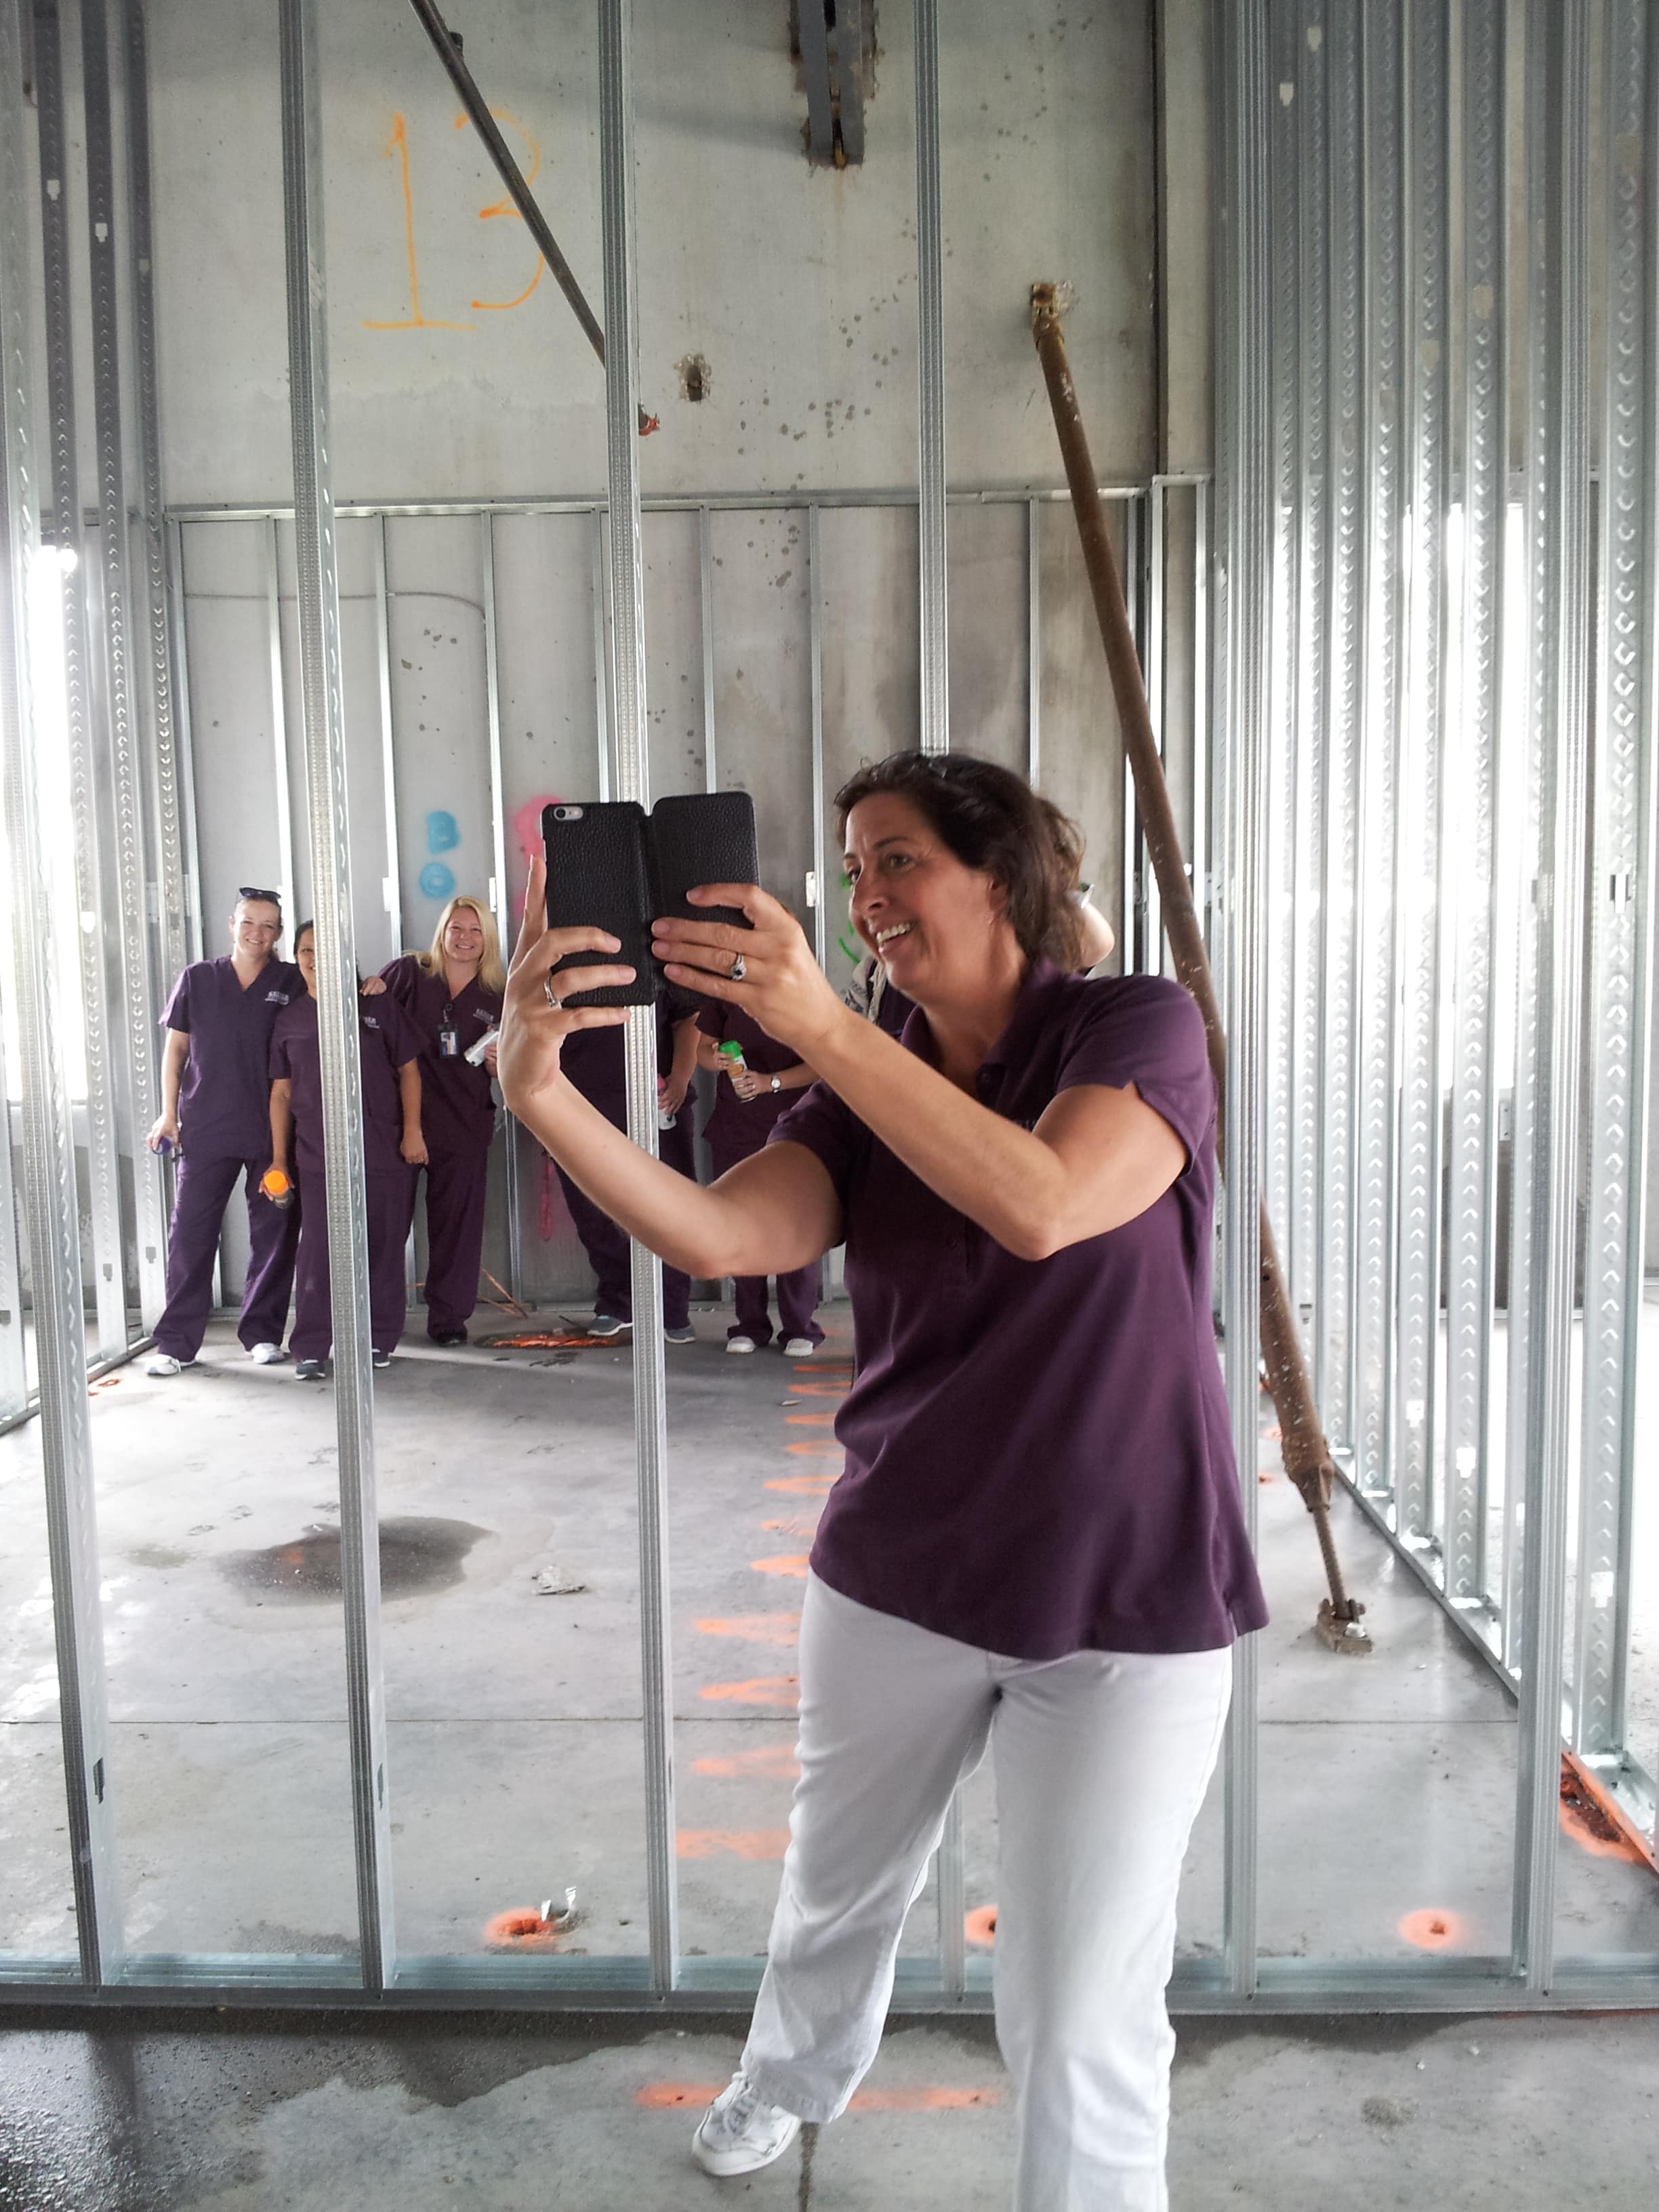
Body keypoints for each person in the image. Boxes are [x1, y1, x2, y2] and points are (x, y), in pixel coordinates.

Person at [495, 750, 1265, 2211]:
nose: (866, 895)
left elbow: (1044, 1202)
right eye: (853, 870)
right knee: (837, 1891)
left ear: (1001, 874)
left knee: (1082, 2002)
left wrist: (828, 1030)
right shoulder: (864, 1085)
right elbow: (720, 1235)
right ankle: (788, 2081)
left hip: (1126, 1592)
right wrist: (537, 1092)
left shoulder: (1134, 1026)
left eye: (898, 858)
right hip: (900, 1573)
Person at [143, 888, 305, 1376]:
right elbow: (175, 1052)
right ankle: (176, 1344)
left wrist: (373, 986)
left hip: (272, 1133)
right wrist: (167, 1115)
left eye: (269, 925)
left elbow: (336, 997)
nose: (258, 933)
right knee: (191, 1234)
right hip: (206, 1126)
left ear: (279, 933)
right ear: (232, 925)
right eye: (249, 922)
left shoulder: (291, 980)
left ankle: (262, 1334)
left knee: (275, 1232)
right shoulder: (198, 979)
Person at [268, 922, 426, 1378]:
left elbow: (410, 1071)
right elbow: (281, 1093)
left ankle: (377, 1339)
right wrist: (279, 1159)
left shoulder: (375, 1004)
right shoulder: (290, 1020)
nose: (315, 959)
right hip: (317, 1154)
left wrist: (412, 1132)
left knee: (383, 1247)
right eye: (306, 950)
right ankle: (312, 1347)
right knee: (318, 1253)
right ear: (296, 957)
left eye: (325, 949)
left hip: (383, 1148)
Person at [378, 895, 505, 1347]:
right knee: (386, 1226)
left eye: (475, 930)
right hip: (399, 1124)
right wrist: (368, 989)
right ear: (442, 932)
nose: (465, 938)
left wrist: (500, 1067)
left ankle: (449, 1320)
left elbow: (516, 1067)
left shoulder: (498, 995)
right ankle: (377, 1322)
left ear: (487, 939)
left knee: (457, 1229)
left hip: (464, 1124)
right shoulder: (409, 973)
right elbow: (369, 1025)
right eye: (456, 928)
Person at [552, 988, 703, 1345]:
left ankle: (672, 1307)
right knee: (592, 1209)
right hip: (580, 1101)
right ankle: (619, 1302)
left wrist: (681, 1078)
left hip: (657, 1100)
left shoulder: (662, 959)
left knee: (671, 1206)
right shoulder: (561, 962)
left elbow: (689, 1020)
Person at [694, 1002, 822, 1356]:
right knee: (740, 1223)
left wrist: (771, 1082)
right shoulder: (722, 992)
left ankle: (800, 1326)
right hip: (736, 1126)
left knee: (796, 1224)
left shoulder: (797, 987)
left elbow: (822, 1063)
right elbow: (702, 1050)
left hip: (794, 1123)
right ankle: (749, 1324)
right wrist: (716, 1058)